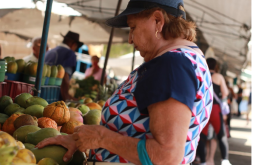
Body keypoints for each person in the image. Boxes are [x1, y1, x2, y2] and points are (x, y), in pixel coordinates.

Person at [36, 0, 213, 165]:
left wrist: (101, 138)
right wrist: (83, 140)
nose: (130, 39)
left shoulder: (171, 65)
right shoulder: (189, 59)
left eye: (132, 27)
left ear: (158, 21)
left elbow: (167, 155)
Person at [197, 58, 231, 165]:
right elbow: (225, 93)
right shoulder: (219, 77)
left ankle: (203, 162)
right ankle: (224, 160)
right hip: (215, 109)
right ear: (216, 66)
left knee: (201, 137)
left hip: (203, 108)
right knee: (221, 135)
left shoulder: (200, 74)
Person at [44, 31, 83, 101]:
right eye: (76, 47)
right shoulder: (70, 54)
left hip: (43, 92)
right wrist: (66, 98)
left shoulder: (50, 52)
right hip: (55, 96)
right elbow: (65, 76)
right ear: (73, 44)